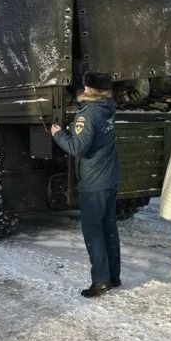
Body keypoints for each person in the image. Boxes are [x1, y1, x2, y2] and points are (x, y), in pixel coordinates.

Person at [51, 71, 121, 298]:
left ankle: (100, 281)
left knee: (93, 232)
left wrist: (58, 134)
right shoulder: (108, 108)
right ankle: (113, 276)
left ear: (88, 88)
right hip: (109, 178)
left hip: (93, 182)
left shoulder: (88, 115)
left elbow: (77, 148)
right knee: (109, 227)